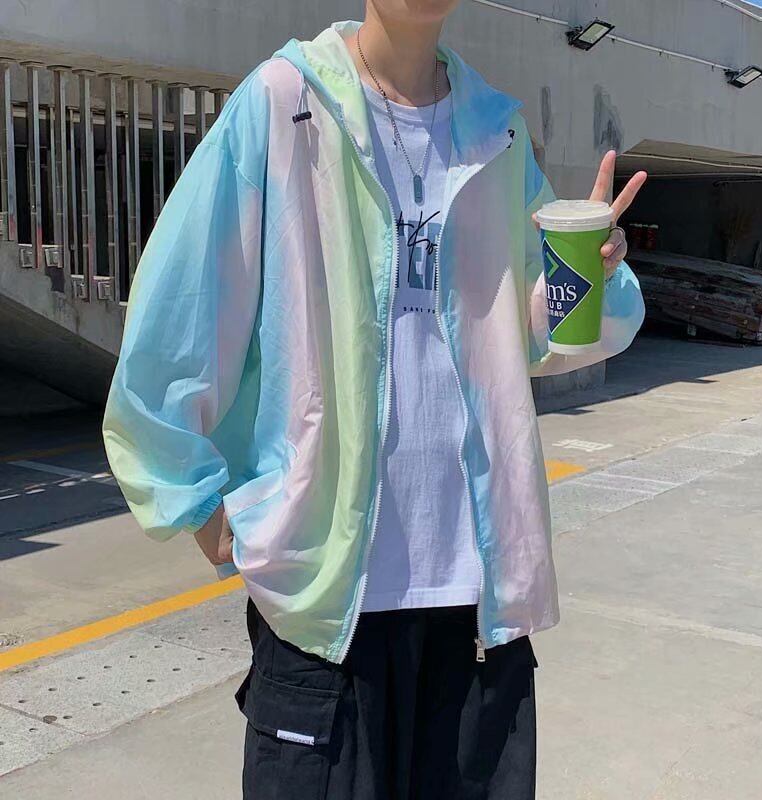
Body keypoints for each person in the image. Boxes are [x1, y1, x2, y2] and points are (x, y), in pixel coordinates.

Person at [102, 2, 646, 797]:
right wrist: (200, 506)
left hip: (476, 605)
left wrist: (589, 269)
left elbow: (536, 332)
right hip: (325, 609)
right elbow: (177, 314)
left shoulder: (496, 131)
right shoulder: (286, 103)